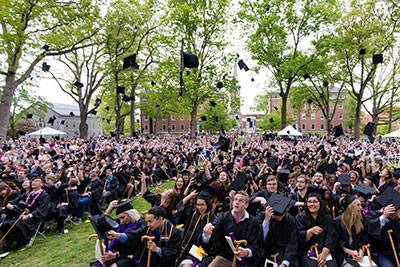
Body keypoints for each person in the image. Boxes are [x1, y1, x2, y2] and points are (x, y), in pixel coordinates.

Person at [202, 191, 262, 267]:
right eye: (235, 200)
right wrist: (207, 233)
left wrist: (246, 252)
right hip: (224, 258)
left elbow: (256, 245)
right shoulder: (223, 217)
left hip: (244, 262)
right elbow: (214, 238)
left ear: (246, 205)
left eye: (241, 201)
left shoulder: (253, 222)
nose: (237, 202)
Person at [0, 177, 49, 248]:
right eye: (33, 181)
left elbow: (40, 209)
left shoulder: (44, 195)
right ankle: (8, 242)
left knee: (18, 224)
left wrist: (28, 216)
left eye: (36, 181)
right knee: (5, 223)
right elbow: (16, 200)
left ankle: (21, 242)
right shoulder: (28, 194)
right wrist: (9, 204)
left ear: (42, 184)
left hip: (33, 217)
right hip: (22, 215)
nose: (33, 182)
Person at [296, 186, 337, 267]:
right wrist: (310, 232)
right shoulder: (300, 218)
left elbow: (331, 236)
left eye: (315, 202)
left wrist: (324, 254)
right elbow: (298, 237)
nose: (312, 204)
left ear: (320, 203)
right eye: (309, 202)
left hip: (325, 252)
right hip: (307, 253)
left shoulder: (327, 218)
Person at [176, 188, 217, 267]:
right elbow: (179, 206)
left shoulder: (213, 220)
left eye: (202, 205)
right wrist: (190, 195)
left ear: (208, 204)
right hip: (188, 252)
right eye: (197, 205)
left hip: (203, 256)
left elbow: (214, 243)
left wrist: (208, 254)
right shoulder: (193, 214)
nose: (199, 207)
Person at [101, 200, 147, 267]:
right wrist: (108, 210)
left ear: (131, 214)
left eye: (123, 217)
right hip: (119, 254)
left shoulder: (141, 224)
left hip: (133, 257)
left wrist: (117, 236)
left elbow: (134, 238)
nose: (121, 221)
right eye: (119, 219)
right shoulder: (122, 224)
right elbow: (102, 224)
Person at [258, 193, 299, 267]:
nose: (279, 218)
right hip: (266, 253)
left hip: (285, 254)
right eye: (276, 215)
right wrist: (266, 221)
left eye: (282, 214)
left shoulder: (290, 220)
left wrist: (285, 263)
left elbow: (292, 242)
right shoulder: (261, 216)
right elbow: (260, 241)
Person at [334, 195, 369, 267]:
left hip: (357, 255)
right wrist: (350, 252)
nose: (361, 208)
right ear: (350, 207)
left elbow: (364, 240)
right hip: (342, 255)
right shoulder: (337, 222)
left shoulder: (361, 221)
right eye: (358, 205)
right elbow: (336, 241)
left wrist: (361, 253)